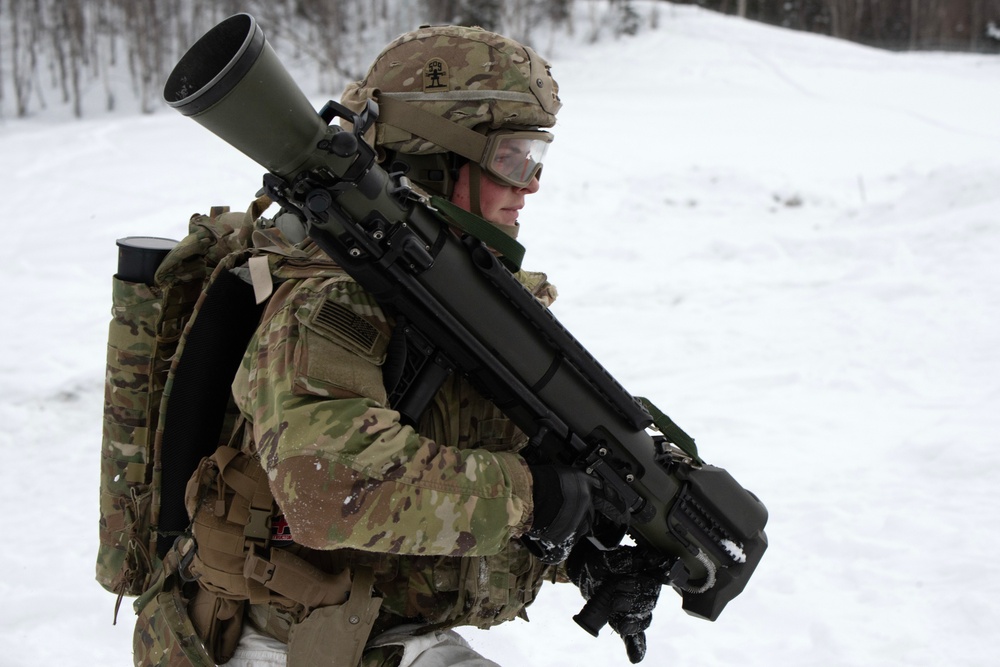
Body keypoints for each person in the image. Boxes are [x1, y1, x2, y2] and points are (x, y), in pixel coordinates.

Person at [161, 25, 666, 667]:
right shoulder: (333, 296)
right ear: (436, 158)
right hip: (275, 638)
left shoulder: (454, 299)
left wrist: (582, 552)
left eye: (536, 159)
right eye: (514, 158)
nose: (531, 184)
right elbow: (327, 485)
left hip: (379, 625)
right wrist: (534, 500)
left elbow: (471, 473)